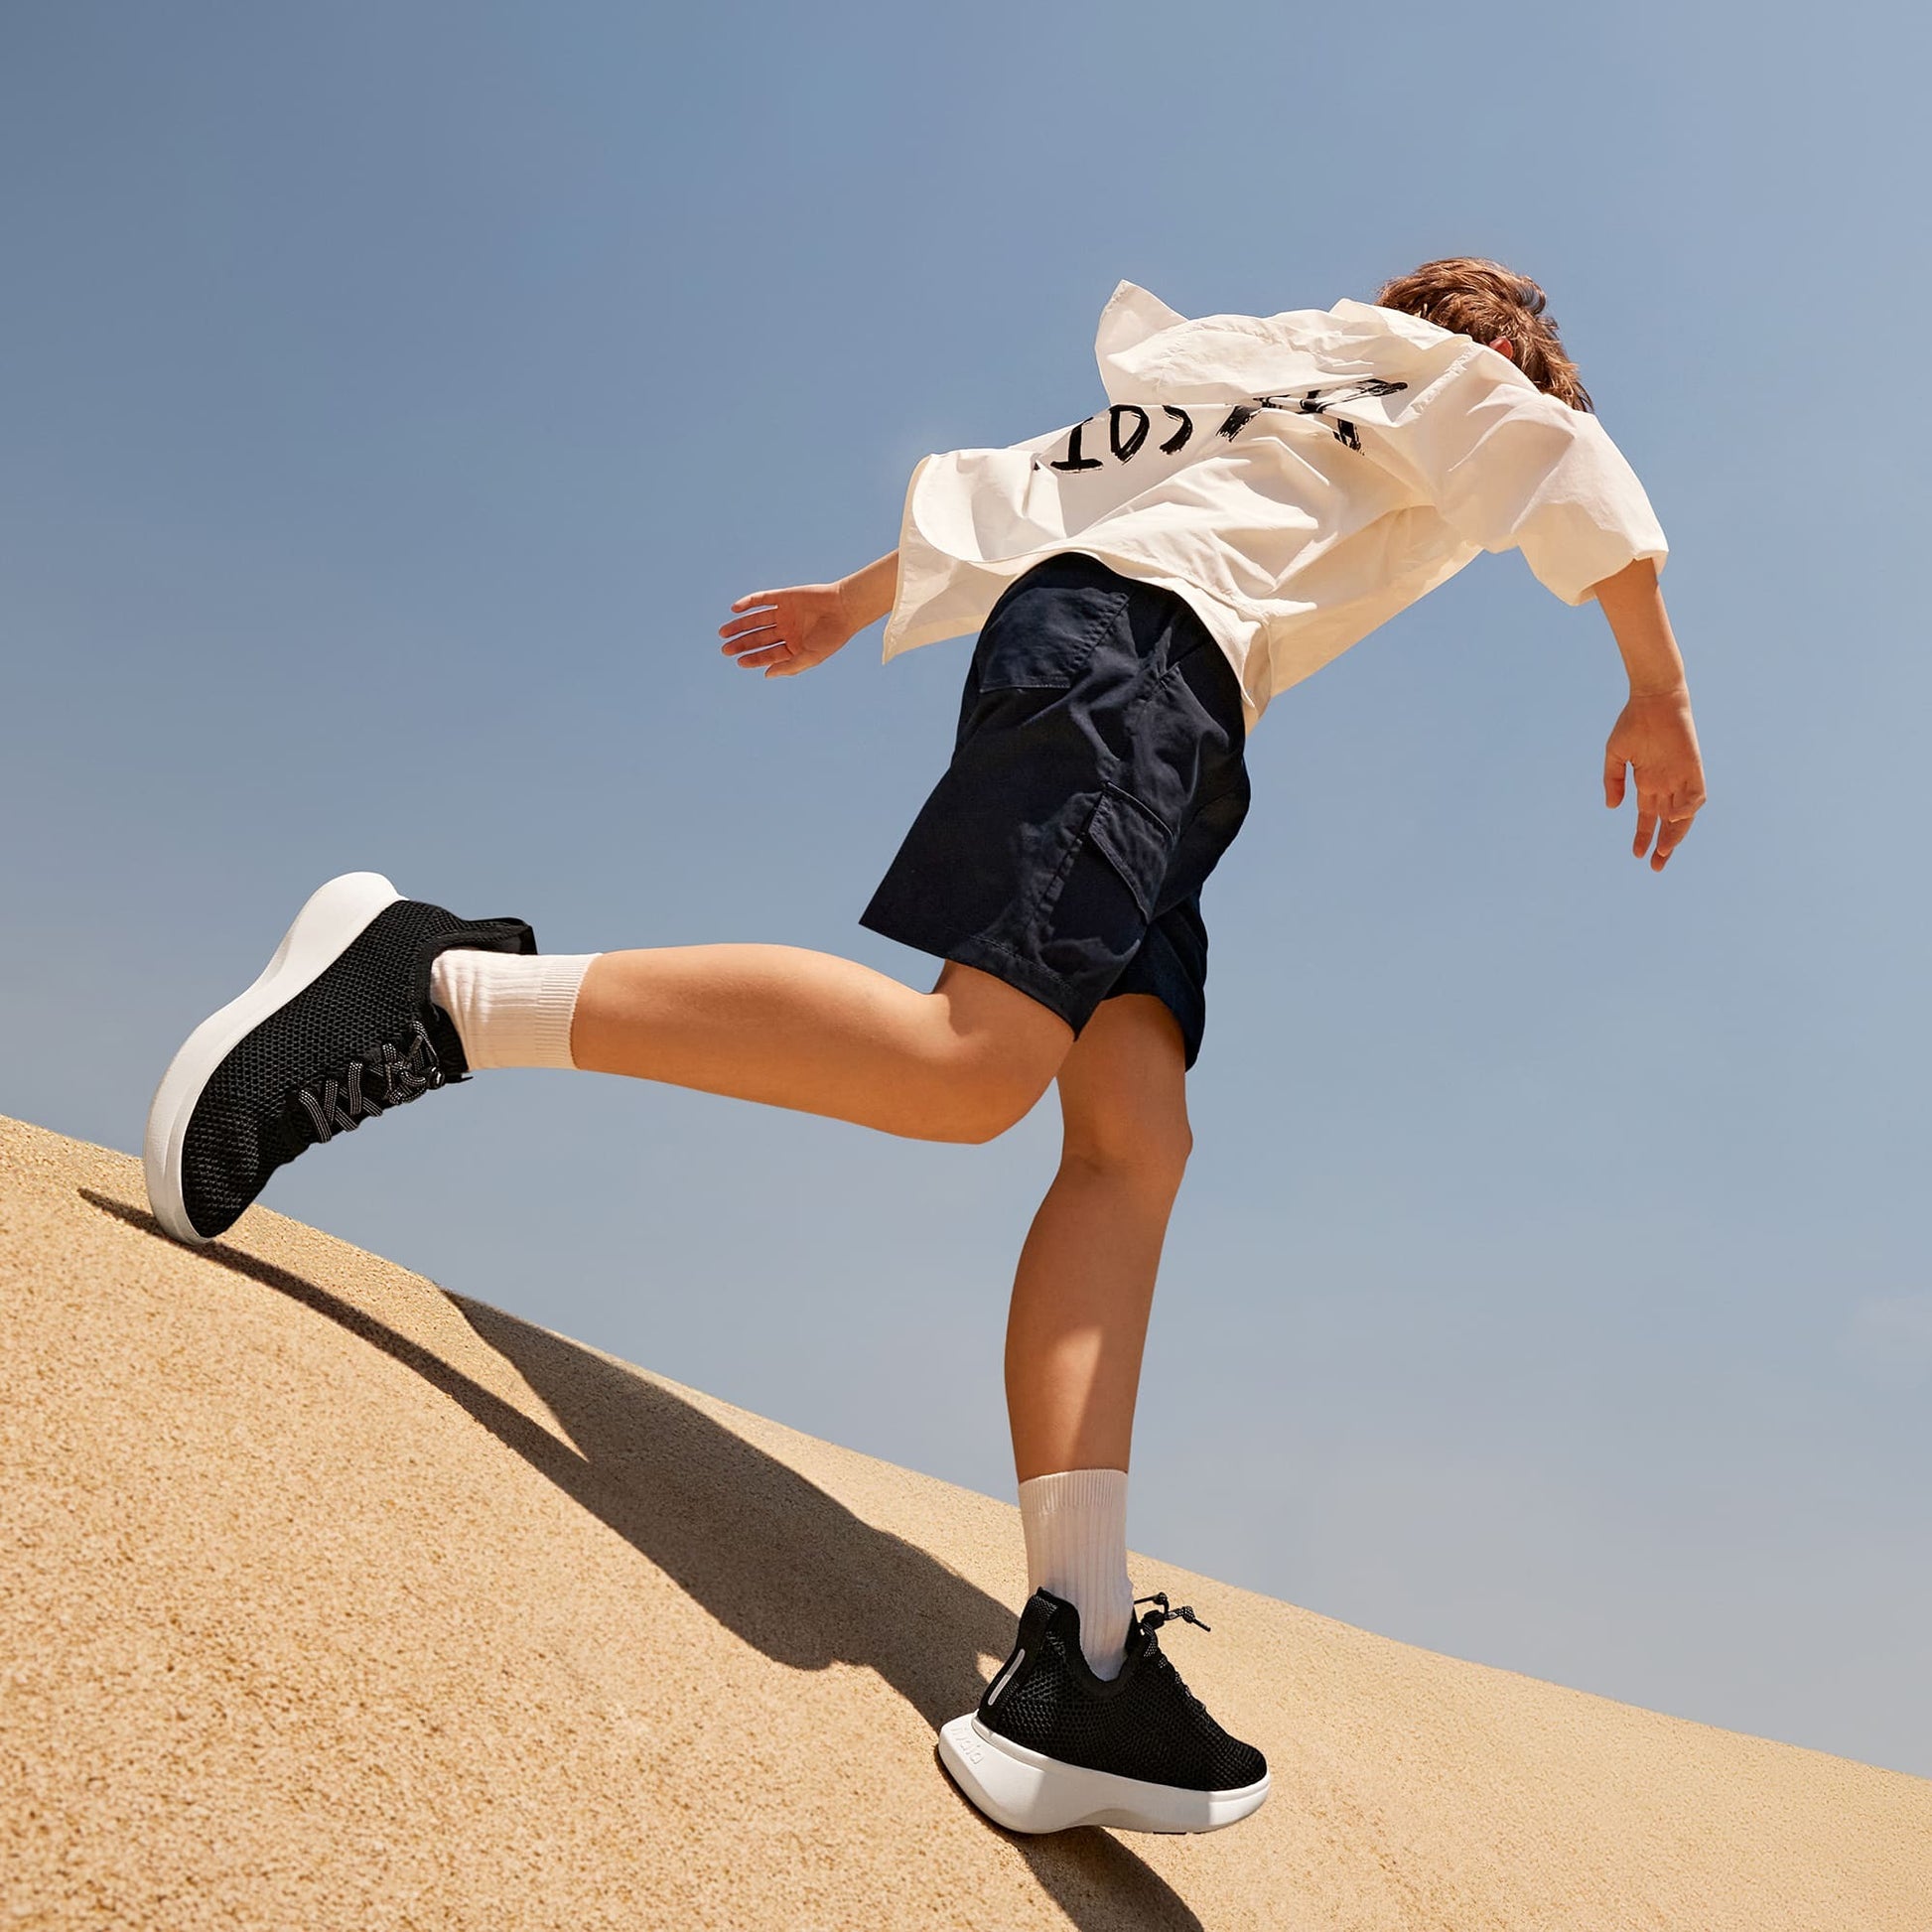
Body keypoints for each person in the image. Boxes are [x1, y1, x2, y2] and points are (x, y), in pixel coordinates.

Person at [144, 258, 1706, 1837]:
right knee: (968, 1064)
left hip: (1128, 674)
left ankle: (1081, 1643)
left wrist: (851, 599)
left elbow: (1023, 490)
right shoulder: (1447, 377)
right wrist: (1657, 687)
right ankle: (438, 991)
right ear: (1495, 347)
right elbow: (1559, 465)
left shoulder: (1254, 375)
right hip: (1146, 675)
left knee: (1133, 1136)